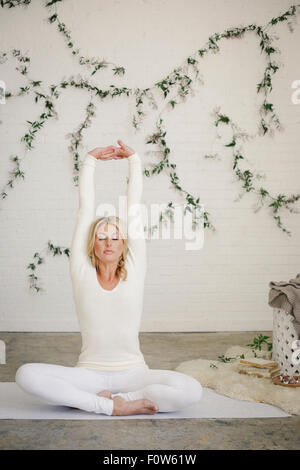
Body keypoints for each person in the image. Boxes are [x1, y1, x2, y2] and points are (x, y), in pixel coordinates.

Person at [15, 139, 203, 416]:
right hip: (89, 375)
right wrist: (89, 161)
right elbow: (84, 211)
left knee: (191, 389)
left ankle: (122, 399)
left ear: (124, 244)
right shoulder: (81, 271)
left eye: (115, 237)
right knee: (25, 374)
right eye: (102, 237)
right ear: (93, 244)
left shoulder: (136, 269)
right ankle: (108, 405)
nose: (109, 242)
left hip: (134, 373)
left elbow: (134, 209)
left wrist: (135, 161)